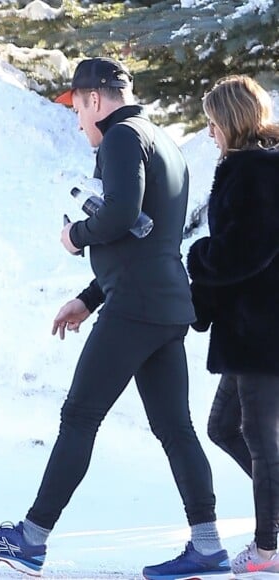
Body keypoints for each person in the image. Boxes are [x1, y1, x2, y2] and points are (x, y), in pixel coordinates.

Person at [0, 57, 229, 579]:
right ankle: (208, 545)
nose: (77, 120)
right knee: (176, 429)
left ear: (95, 99)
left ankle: (30, 539)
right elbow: (145, 239)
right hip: (164, 305)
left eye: (77, 108)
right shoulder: (163, 141)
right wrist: (89, 297)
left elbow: (122, 216)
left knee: (79, 417)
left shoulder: (122, 138)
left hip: (135, 308)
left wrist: (74, 237)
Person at [187, 74, 279, 577]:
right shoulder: (251, 168)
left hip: (262, 330)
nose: (209, 134)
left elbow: (246, 249)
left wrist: (198, 256)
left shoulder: (256, 172)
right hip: (248, 329)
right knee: (224, 426)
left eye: (213, 124)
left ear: (231, 120)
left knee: (262, 441)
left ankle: (268, 548)